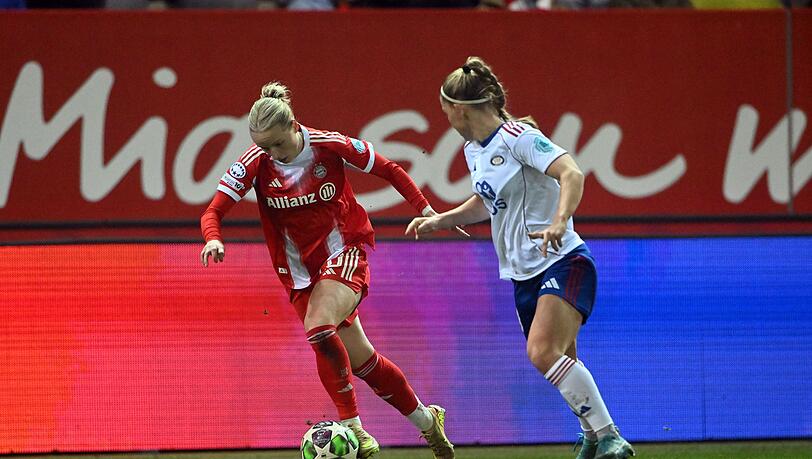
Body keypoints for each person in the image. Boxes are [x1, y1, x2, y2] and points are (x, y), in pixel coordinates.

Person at [200, 82, 455, 459]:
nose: (270, 153)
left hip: (344, 251)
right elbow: (213, 210)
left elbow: (390, 169)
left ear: (293, 126)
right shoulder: (255, 162)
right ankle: (428, 422)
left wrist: (424, 208)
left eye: (276, 144)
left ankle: (354, 431)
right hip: (298, 275)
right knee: (364, 363)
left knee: (319, 327)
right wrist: (212, 238)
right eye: (263, 146)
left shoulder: (329, 144)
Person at [406, 57, 636, 459]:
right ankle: (592, 436)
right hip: (522, 274)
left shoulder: (519, 136)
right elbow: (487, 202)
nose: (443, 115)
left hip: (562, 259)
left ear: (459, 108)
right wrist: (444, 219)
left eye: (444, 108)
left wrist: (560, 221)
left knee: (542, 352)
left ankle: (610, 435)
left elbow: (572, 173)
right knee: (560, 359)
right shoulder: (473, 150)